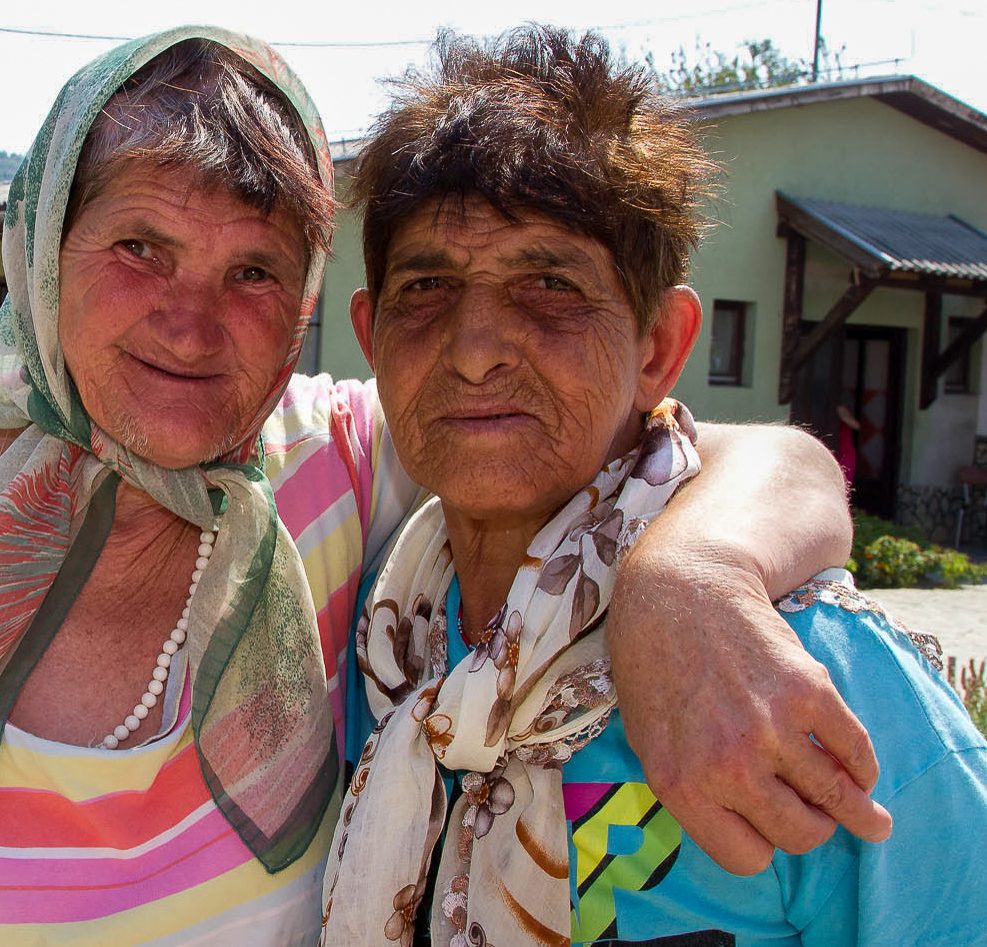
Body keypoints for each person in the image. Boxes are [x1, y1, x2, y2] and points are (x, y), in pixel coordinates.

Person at [0, 25, 875, 947]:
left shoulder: (325, 466)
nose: (190, 321)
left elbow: (707, 447)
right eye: (139, 246)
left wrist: (691, 575)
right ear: (41, 252)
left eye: (252, 270)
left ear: (305, 306)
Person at [323, 24, 987, 946]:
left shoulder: (796, 674)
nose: (473, 350)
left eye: (549, 283)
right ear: (372, 339)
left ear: (657, 348)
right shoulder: (376, 647)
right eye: (426, 285)